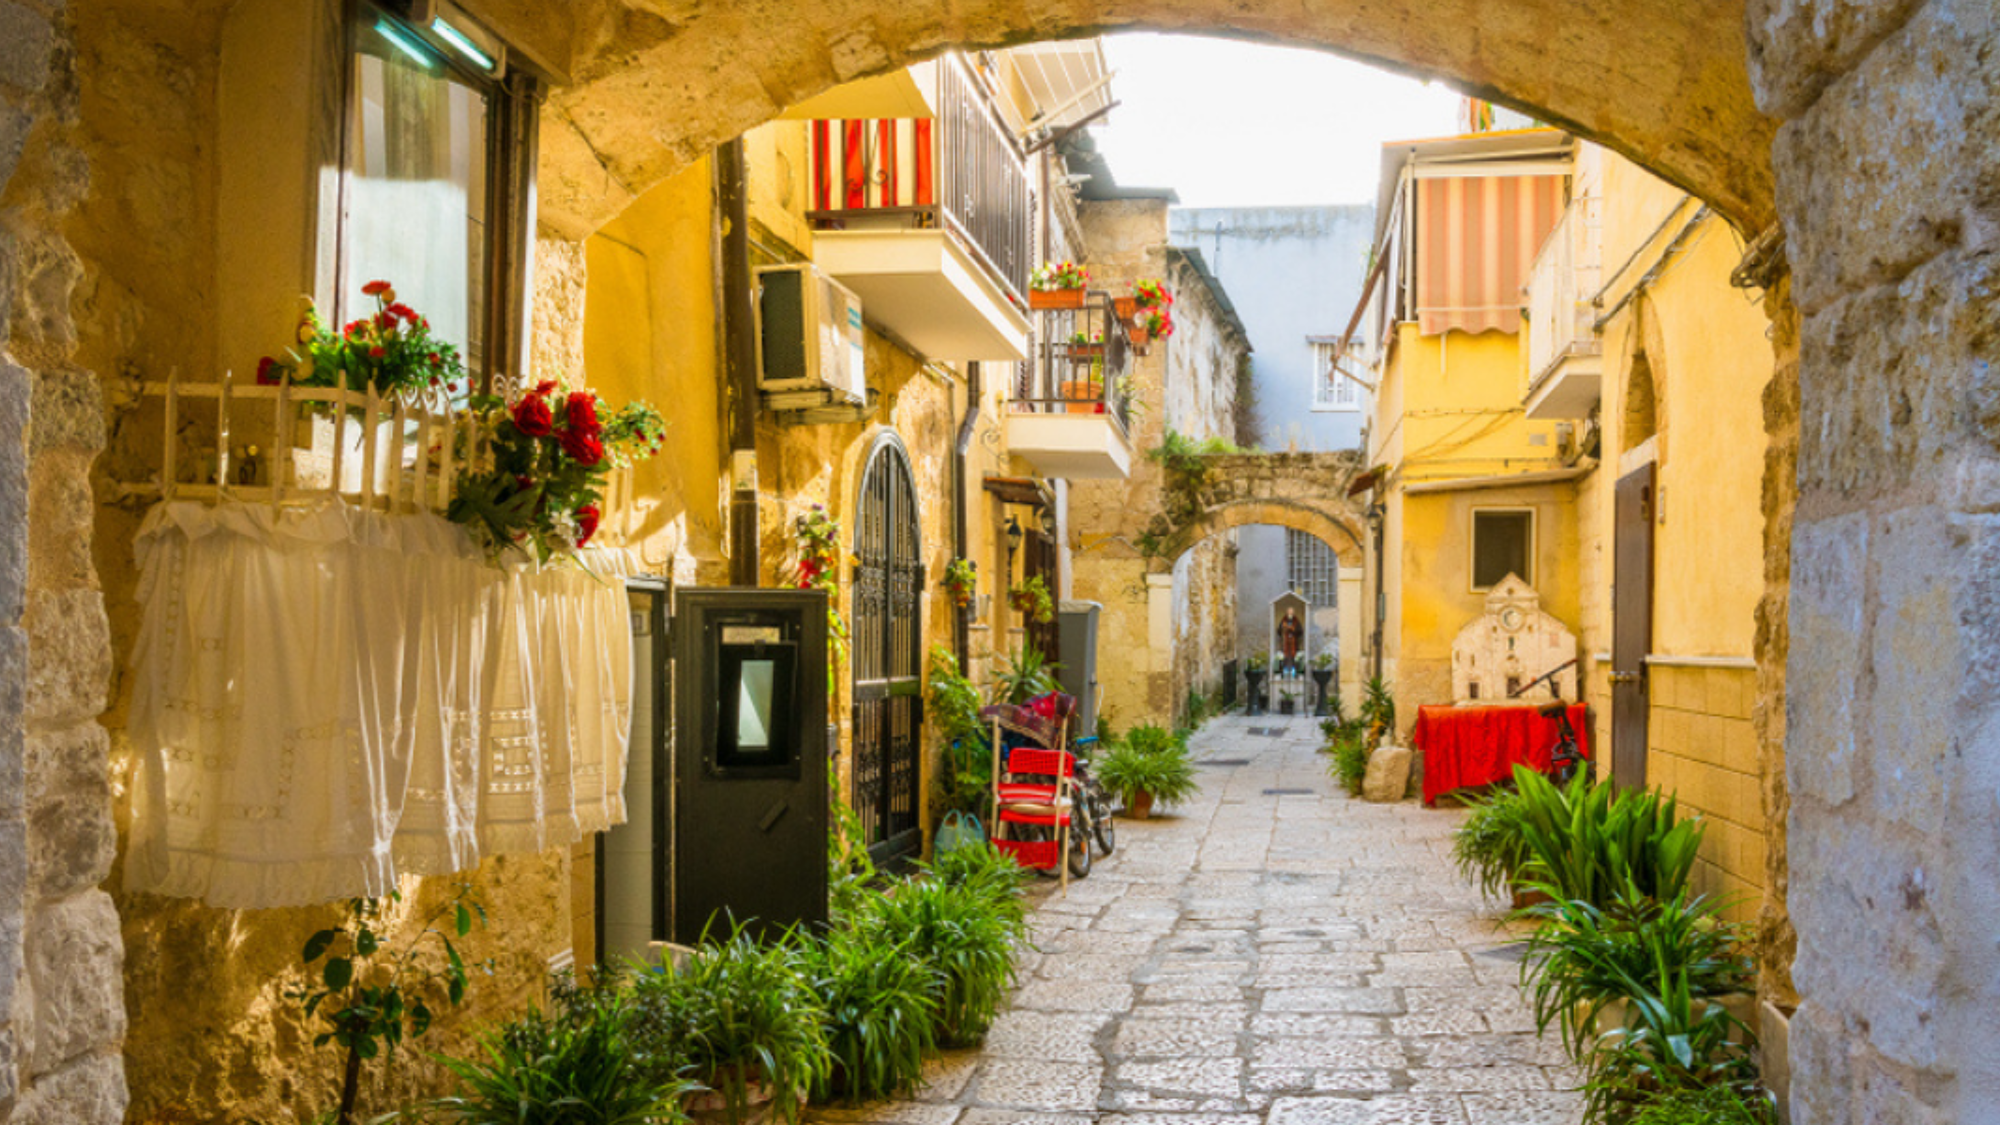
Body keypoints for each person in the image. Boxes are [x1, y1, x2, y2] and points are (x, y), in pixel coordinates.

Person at [1278, 608, 1304, 676]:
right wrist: (1284, 628)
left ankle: (1294, 672)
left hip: (1294, 643)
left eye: (1291, 612)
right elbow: (1279, 631)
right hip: (1285, 642)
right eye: (1289, 612)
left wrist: (1293, 629)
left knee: (1294, 657)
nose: (1290, 613)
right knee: (1285, 657)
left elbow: (1300, 631)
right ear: (1287, 613)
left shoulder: (1296, 621)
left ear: (1293, 613)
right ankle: (1284, 672)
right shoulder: (1283, 620)